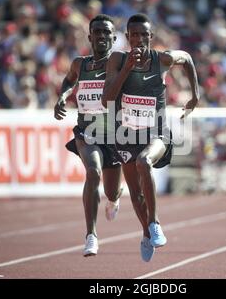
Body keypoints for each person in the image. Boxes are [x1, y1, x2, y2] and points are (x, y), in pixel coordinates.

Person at [102, 13, 199, 262]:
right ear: (127, 38)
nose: (139, 39)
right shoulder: (117, 59)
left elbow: (187, 58)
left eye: (144, 35)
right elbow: (107, 99)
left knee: (144, 162)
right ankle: (145, 232)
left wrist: (195, 95)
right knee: (135, 193)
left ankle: (154, 223)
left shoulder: (162, 59)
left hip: (156, 133)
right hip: (125, 135)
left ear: (150, 37)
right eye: (134, 35)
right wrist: (126, 70)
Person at [54, 14, 122, 257]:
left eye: (107, 33)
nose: (102, 36)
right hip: (87, 132)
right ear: (90, 36)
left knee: (111, 191)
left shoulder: (120, 63)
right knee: (93, 172)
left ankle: (114, 199)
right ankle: (91, 235)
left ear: (113, 38)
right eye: (98, 32)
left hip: (115, 136)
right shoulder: (79, 64)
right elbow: (69, 81)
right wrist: (63, 96)